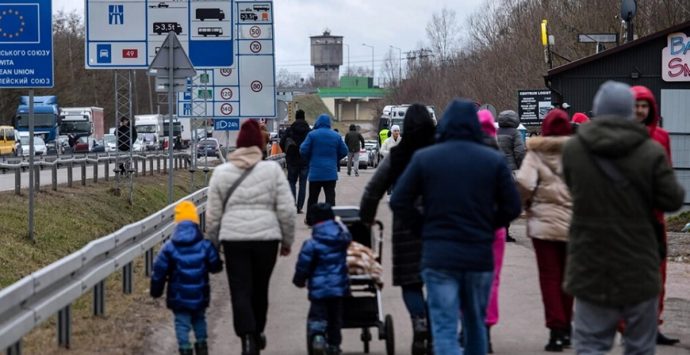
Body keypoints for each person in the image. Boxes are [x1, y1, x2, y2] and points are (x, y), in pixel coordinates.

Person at [390, 99, 522, 355]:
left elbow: (399, 200)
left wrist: (423, 228)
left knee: (445, 326)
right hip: (478, 255)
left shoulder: (425, 158)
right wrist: (487, 226)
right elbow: (513, 206)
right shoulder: (492, 159)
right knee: (474, 323)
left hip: (439, 254)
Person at [562, 81, 684, 355]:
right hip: (638, 262)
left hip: (588, 263)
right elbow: (672, 199)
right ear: (631, 111)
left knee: (590, 345)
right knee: (640, 346)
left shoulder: (574, 150)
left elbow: (572, 188)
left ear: (597, 110)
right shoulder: (651, 150)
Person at [205, 120, 296, 355]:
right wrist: (287, 240)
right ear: (260, 145)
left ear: (238, 145)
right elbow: (286, 209)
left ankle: (246, 334)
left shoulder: (222, 173)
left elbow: (213, 213)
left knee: (240, 288)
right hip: (267, 240)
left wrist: (212, 243)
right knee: (260, 288)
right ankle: (257, 332)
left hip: (234, 240)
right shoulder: (272, 171)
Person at [360, 104, 436, 355]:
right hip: (439, 226)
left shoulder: (398, 154)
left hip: (406, 227)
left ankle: (419, 320)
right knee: (438, 282)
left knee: (410, 282)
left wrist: (367, 219)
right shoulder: (441, 151)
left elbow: (373, 190)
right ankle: (435, 330)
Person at [515, 109, 574, 352]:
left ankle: (556, 331)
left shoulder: (536, 153)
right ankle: (568, 328)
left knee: (549, 277)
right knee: (568, 279)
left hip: (543, 224)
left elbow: (524, 183)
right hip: (574, 224)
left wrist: (526, 203)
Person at [631, 85, 678, 346]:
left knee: (658, 275)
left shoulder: (661, 137)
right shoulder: (621, 136)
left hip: (654, 219)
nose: (639, 110)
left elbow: (667, 174)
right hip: (627, 218)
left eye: (644, 106)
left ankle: (653, 324)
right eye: (636, 105)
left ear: (651, 109)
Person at [151, 200, 223, 355]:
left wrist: (156, 291)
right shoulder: (204, 245)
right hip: (199, 295)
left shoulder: (169, 248)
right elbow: (215, 265)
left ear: (177, 223)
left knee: (181, 323)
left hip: (179, 297)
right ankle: (202, 345)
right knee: (199, 320)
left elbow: (159, 271)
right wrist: (217, 265)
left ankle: (185, 349)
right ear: (196, 221)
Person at [293, 203, 352, 355]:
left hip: (318, 290)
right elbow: (348, 236)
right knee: (335, 319)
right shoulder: (342, 239)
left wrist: (299, 280)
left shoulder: (311, 244)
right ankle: (334, 345)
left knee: (317, 315)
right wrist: (339, 223)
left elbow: (303, 265)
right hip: (338, 288)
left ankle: (318, 338)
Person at [477, 109, 507, 354]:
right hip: (493, 228)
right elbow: (511, 201)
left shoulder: (462, 157)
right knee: (492, 279)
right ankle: (485, 329)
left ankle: (468, 326)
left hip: (466, 228)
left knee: (465, 278)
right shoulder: (498, 158)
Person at [300, 114, 348, 223]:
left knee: (313, 198)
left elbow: (303, 150)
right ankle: (331, 220)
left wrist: (309, 159)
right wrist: (335, 158)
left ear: (318, 122)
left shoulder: (312, 135)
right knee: (330, 198)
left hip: (315, 173)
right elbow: (345, 150)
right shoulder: (335, 135)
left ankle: (310, 219)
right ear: (329, 123)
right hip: (330, 173)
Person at [497, 110, 525, 243]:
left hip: (496, 169)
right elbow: (519, 152)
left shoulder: (495, 132)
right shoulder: (515, 133)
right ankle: (505, 232)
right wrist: (522, 166)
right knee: (507, 201)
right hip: (511, 170)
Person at [280, 109, 311, 214]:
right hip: (304, 161)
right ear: (304, 117)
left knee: (292, 182)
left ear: (296, 117)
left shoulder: (290, 130)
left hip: (292, 160)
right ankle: (300, 207)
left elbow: (281, 142)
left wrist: (287, 152)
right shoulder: (308, 131)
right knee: (303, 184)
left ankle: (292, 204)